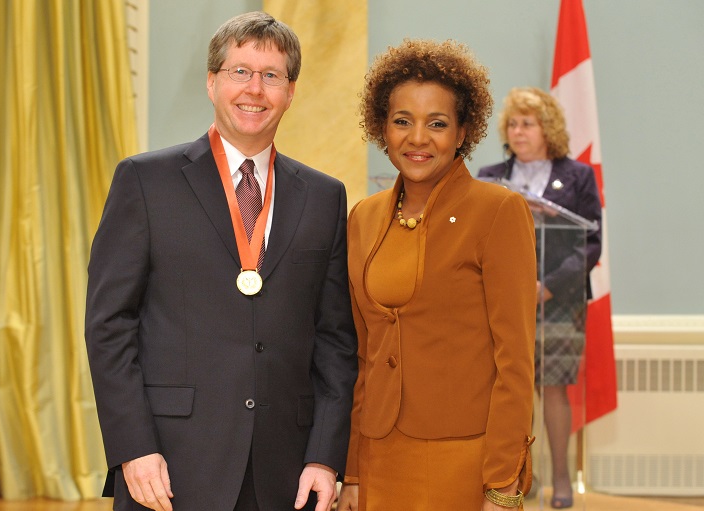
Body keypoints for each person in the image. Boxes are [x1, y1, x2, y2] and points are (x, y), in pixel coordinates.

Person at [84, 11, 358, 511]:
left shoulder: (324, 196)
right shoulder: (145, 182)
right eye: (240, 72)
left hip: (286, 469)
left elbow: (336, 340)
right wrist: (133, 447)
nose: (255, 89)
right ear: (212, 82)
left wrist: (325, 456)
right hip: (167, 465)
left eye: (272, 76)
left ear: (291, 91)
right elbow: (109, 325)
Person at [336, 39, 537, 511]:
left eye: (438, 124)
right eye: (402, 121)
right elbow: (363, 355)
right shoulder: (363, 217)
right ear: (381, 128)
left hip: (462, 461)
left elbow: (516, 362)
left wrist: (503, 484)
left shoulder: (499, 212)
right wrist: (353, 471)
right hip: (378, 456)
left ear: (464, 130)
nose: (418, 138)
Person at [478, 87, 603, 509]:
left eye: (526, 123)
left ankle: (561, 480)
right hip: (499, 299)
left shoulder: (578, 176)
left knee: (552, 389)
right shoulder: (490, 176)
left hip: (558, 300)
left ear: (546, 128)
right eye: (512, 124)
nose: (517, 131)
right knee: (504, 388)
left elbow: (590, 244)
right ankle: (510, 478)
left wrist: (545, 286)